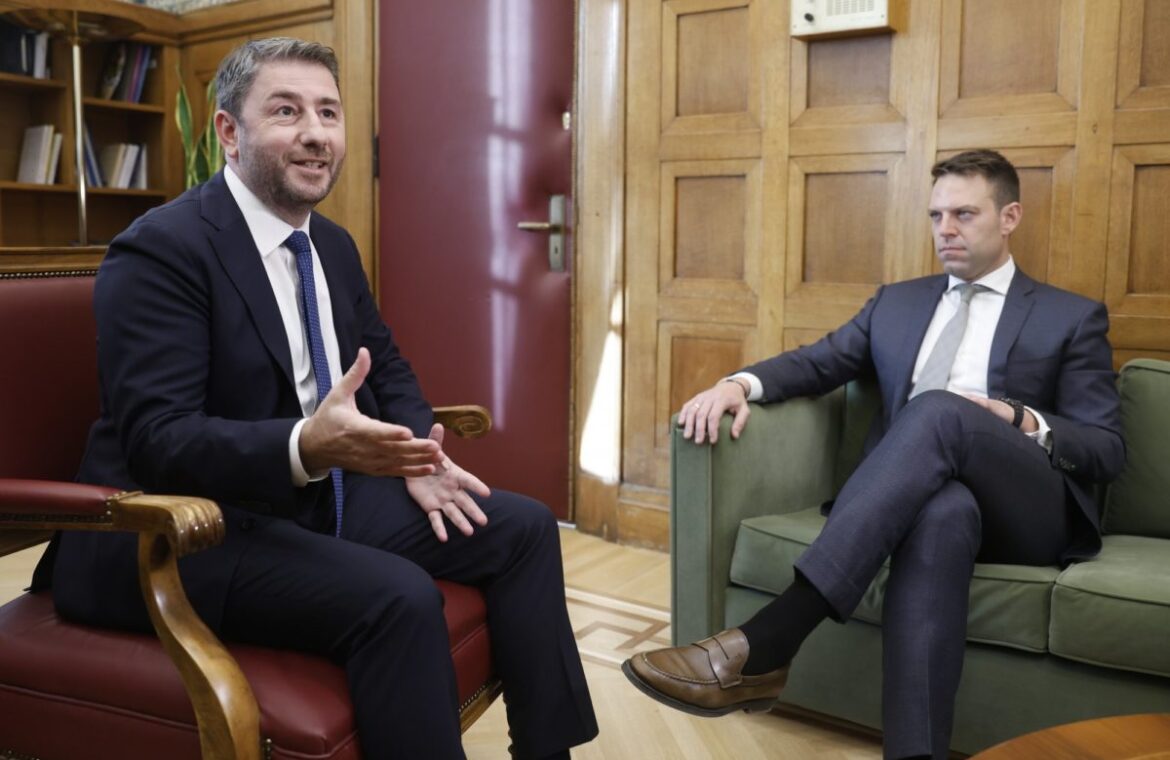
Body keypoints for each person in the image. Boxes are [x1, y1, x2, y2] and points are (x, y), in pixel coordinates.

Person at [32, 37, 597, 760]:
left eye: (328, 113)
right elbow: (159, 440)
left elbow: (384, 364)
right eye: (286, 111)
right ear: (229, 132)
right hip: (179, 529)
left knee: (524, 528)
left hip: (305, 499)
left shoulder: (329, 245)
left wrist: (419, 457)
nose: (316, 133)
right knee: (400, 596)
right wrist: (304, 446)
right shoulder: (161, 251)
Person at [622, 149, 1124, 760]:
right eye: (936, 215)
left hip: (1026, 512)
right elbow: (817, 362)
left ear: (1009, 216)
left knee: (941, 409)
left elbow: (1105, 449)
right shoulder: (898, 302)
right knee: (941, 511)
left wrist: (1018, 418)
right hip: (923, 499)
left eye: (964, 214)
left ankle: (773, 637)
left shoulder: (1069, 316)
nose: (946, 229)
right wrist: (737, 384)